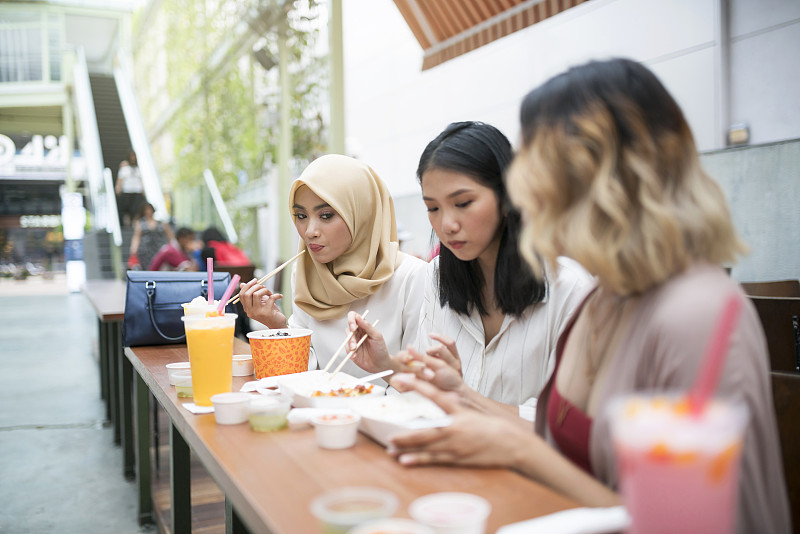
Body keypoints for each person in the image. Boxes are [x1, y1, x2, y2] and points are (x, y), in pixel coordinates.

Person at [386, 59, 791, 534]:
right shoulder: (604, 300)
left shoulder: (696, 313)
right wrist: (466, 401)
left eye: (540, 173)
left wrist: (516, 447)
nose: (524, 195)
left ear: (610, 183)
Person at [347, 121, 593, 421]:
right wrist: (388, 365)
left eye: (463, 203)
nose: (446, 224)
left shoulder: (570, 289)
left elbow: (562, 425)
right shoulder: (437, 275)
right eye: (433, 208)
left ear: (508, 196)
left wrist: (463, 398)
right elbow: (430, 392)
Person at [237, 154, 428, 377]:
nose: (309, 231)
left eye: (326, 215)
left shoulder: (411, 277)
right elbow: (305, 372)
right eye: (301, 215)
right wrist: (276, 326)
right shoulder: (306, 271)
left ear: (362, 213)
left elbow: (421, 377)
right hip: (317, 409)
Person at [129, 202, 174, 272]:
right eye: (146, 210)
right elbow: (136, 237)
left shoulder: (162, 223)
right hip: (145, 252)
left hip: (160, 250)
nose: (148, 212)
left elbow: (170, 236)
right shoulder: (140, 224)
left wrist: (172, 247)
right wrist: (134, 249)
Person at [115, 150, 144, 226]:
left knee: (136, 208)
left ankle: (134, 222)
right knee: (127, 208)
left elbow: (140, 180)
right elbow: (120, 179)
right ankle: (127, 222)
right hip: (127, 191)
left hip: (137, 191)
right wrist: (118, 187)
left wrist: (143, 190)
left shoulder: (137, 169)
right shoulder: (124, 168)